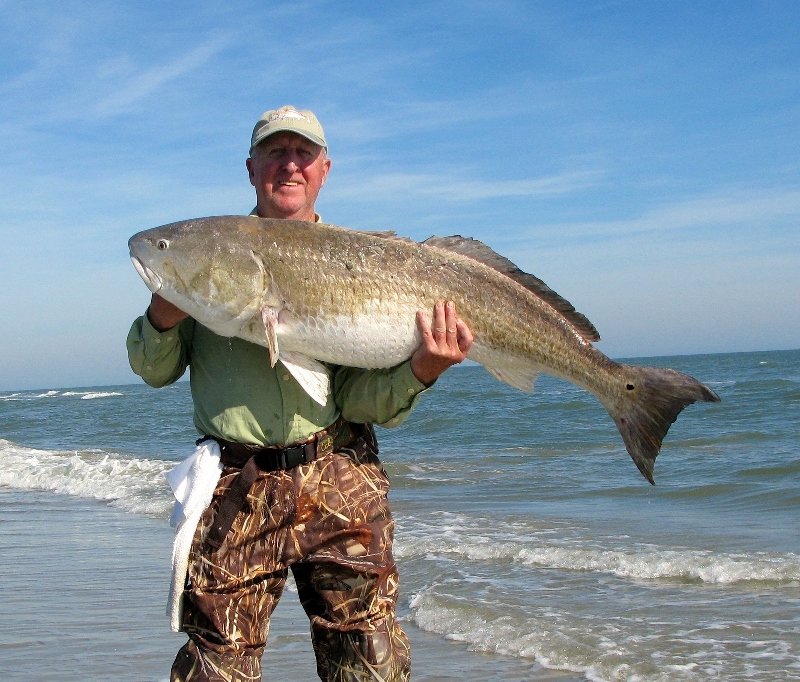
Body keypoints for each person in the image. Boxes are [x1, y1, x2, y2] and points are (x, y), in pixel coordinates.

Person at [127, 105, 473, 682]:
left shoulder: (361, 261)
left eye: (302, 154)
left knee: (369, 663)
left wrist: (422, 371)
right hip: (238, 484)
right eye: (275, 153)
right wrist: (165, 309)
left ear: (324, 169)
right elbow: (152, 369)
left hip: (340, 471)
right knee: (214, 668)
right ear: (251, 167)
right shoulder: (213, 256)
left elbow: (362, 401)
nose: (289, 165)